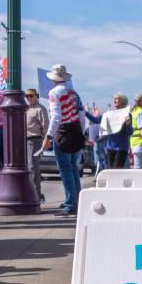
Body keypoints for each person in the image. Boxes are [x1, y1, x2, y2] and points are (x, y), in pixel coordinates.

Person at [44, 64, 86, 216]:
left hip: (62, 132)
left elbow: (56, 117)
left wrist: (48, 135)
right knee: (74, 168)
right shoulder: (74, 93)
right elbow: (82, 116)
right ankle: (76, 200)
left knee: (65, 169)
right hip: (76, 130)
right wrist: (81, 132)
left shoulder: (54, 93)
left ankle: (70, 203)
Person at [99, 93, 131, 170]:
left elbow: (130, 132)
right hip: (110, 147)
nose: (114, 100)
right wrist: (85, 112)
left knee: (117, 172)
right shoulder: (109, 114)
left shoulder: (127, 114)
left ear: (123, 101)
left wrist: (128, 124)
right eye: (114, 99)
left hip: (121, 147)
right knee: (110, 171)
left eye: (117, 99)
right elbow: (95, 120)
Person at [25, 87, 46, 203]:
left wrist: (44, 141)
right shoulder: (26, 109)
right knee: (29, 168)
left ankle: (36, 196)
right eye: (27, 96)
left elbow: (45, 126)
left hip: (35, 140)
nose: (29, 98)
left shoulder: (40, 109)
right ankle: (32, 195)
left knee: (33, 168)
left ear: (36, 96)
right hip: (26, 140)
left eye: (31, 96)